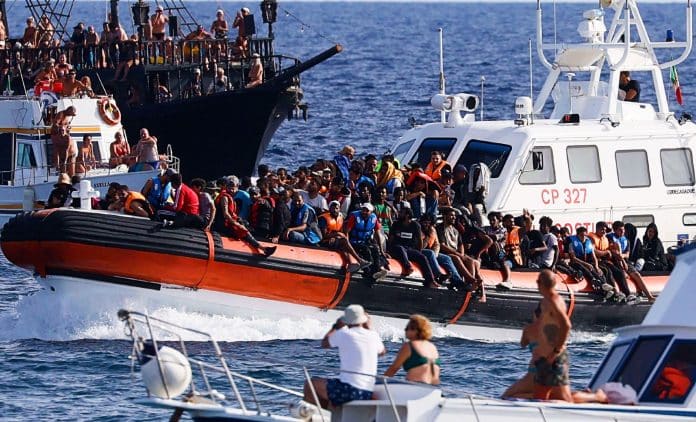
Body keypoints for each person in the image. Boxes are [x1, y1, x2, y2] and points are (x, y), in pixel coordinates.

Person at [304, 305, 386, 409]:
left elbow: (324, 344)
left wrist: (335, 327)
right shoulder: (373, 335)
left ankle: (319, 415)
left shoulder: (344, 333)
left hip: (349, 391)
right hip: (367, 392)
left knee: (310, 384)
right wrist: (368, 328)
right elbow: (382, 352)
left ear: (347, 321)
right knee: (332, 388)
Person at [533, 269, 572, 401]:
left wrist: (556, 351)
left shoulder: (554, 301)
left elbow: (566, 325)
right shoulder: (545, 301)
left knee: (565, 398)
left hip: (554, 356)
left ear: (541, 284)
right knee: (540, 397)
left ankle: (598, 397)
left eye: (538, 282)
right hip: (544, 356)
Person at [214, 176, 276, 256]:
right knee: (243, 229)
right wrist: (236, 224)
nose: (231, 189)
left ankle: (263, 248)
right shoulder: (225, 197)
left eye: (233, 186)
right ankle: (263, 248)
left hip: (226, 223)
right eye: (229, 186)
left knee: (243, 226)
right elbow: (226, 214)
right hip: (223, 224)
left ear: (237, 186)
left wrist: (238, 221)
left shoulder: (231, 197)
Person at [388, 206, 440, 288]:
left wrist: (419, 252)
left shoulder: (415, 225)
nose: (399, 214)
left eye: (401, 213)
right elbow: (390, 239)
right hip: (397, 248)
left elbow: (419, 240)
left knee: (423, 257)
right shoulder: (396, 224)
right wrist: (388, 251)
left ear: (407, 215)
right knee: (401, 248)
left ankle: (430, 280)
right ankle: (408, 267)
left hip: (409, 249)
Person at [384, 314, 440, 385]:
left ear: (416, 330)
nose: (405, 330)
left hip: (415, 386)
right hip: (434, 388)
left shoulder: (409, 345)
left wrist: (379, 382)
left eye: (407, 328)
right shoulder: (432, 347)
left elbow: (393, 369)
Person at [502, 307, 544, 399]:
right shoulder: (555, 329)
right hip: (555, 372)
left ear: (534, 315)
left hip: (535, 372)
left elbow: (523, 344)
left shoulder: (529, 329)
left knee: (506, 396)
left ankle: (540, 397)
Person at [318, 200, 370, 273]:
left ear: (339, 209)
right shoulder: (324, 218)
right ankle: (360, 260)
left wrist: (339, 236)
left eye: (337, 208)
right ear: (329, 209)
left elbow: (343, 232)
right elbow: (324, 235)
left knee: (344, 243)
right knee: (343, 241)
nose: (335, 210)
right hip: (326, 241)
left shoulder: (341, 217)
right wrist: (337, 234)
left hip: (336, 240)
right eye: (333, 208)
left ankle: (352, 263)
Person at [344, 203, 389, 282]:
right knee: (366, 250)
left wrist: (381, 249)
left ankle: (377, 270)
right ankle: (369, 272)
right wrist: (347, 244)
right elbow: (347, 231)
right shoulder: (355, 217)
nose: (364, 212)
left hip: (365, 241)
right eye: (363, 210)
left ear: (371, 212)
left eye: (367, 211)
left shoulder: (373, 218)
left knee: (375, 249)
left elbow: (377, 233)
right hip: (354, 241)